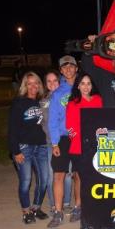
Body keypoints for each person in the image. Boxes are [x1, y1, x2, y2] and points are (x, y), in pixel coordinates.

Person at [8, 71, 49, 224]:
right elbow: (12, 128)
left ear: (39, 85)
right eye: (29, 83)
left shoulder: (42, 102)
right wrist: (15, 151)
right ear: (25, 85)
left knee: (44, 180)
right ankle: (26, 211)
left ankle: (35, 208)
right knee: (26, 180)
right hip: (23, 147)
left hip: (41, 146)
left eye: (35, 83)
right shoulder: (19, 102)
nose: (33, 86)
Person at [47, 55, 80, 228]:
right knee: (58, 175)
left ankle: (78, 207)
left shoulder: (84, 87)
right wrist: (54, 143)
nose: (68, 69)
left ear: (76, 68)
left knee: (77, 174)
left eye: (71, 66)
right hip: (62, 138)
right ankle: (58, 212)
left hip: (79, 137)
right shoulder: (57, 93)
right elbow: (52, 119)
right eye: (64, 67)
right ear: (61, 70)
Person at [65, 73, 103, 226]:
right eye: (83, 83)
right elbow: (70, 127)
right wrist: (79, 136)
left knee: (95, 177)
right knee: (79, 177)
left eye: (88, 83)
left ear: (92, 86)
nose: (86, 86)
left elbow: (101, 121)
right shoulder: (73, 103)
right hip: (78, 146)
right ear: (78, 86)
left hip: (95, 145)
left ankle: (94, 206)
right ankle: (78, 206)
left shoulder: (98, 100)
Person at [40, 70, 73, 215]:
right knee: (51, 175)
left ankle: (66, 203)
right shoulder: (43, 101)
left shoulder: (64, 96)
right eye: (49, 81)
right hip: (50, 143)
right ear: (45, 84)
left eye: (55, 80)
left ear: (59, 82)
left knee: (68, 174)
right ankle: (54, 204)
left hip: (64, 140)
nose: (52, 83)